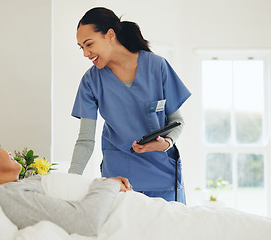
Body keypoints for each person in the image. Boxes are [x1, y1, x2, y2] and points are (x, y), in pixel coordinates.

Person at [69, 7, 191, 203]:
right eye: (81, 47)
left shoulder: (157, 67)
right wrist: (70, 183)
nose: (85, 53)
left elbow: (177, 121)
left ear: (110, 35)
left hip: (162, 178)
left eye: (89, 44)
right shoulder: (91, 81)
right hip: (119, 182)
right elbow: (85, 140)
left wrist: (166, 143)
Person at [0, 133, 132, 236]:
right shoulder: (6, 195)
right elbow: (85, 221)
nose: (8, 151)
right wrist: (109, 185)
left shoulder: (16, 186)